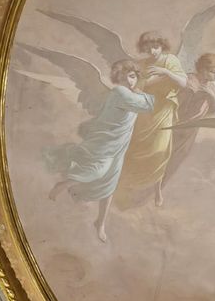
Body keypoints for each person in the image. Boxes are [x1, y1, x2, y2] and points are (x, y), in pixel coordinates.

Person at [46, 60, 154, 242]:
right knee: (98, 171)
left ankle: (100, 222)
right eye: (126, 76)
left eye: (133, 76)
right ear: (118, 78)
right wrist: (144, 91)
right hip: (105, 142)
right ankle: (62, 185)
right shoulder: (120, 92)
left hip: (118, 144)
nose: (130, 80)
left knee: (110, 182)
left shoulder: (130, 94)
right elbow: (146, 105)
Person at [114, 31, 187, 207]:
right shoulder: (140, 64)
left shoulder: (170, 60)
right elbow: (136, 87)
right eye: (148, 48)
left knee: (160, 151)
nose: (152, 51)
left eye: (155, 47)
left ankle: (157, 190)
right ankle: (127, 186)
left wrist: (165, 72)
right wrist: (143, 85)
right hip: (145, 111)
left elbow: (184, 83)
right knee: (137, 150)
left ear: (162, 46)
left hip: (163, 111)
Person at [163, 52, 215, 186]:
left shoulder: (210, 87)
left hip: (190, 131)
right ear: (203, 69)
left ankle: (157, 190)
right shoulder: (188, 81)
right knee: (162, 158)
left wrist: (211, 95)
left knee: (176, 161)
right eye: (214, 72)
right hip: (174, 127)